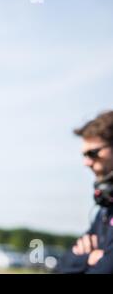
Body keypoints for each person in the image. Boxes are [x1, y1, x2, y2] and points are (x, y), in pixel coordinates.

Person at [57, 111, 113, 274]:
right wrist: (88, 258)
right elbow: (61, 266)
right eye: (84, 155)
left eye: (93, 153)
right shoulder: (106, 207)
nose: (86, 162)